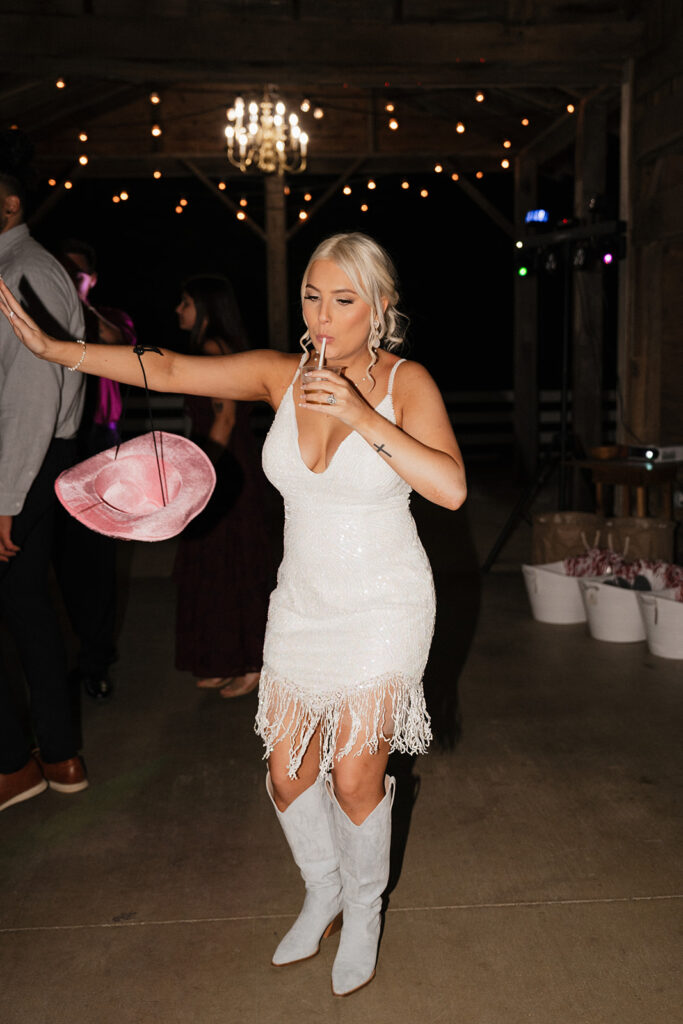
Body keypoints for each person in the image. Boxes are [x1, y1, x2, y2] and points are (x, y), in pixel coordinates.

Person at [0, 232, 466, 994]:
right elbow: (172, 365)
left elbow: (448, 488)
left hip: (384, 600)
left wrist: (360, 414)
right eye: (312, 296)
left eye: (342, 300)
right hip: (303, 603)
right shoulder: (281, 375)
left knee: (354, 780)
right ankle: (320, 891)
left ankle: (364, 906)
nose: (322, 315)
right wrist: (64, 353)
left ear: (379, 306)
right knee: (287, 777)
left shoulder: (404, 382)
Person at [0, 130, 88, 812]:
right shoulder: (23, 266)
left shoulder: (24, 271)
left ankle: (15, 762)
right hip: (28, 461)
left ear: (8, 204)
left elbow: (32, 398)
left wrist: (7, 499)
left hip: (22, 464)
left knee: (22, 611)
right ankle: (56, 756)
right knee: (27, 610)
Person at [174, 274, 271, 697]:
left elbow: (226, 417)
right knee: (216, 563)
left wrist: (202, 476)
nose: (178, 311)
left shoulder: (215, 349)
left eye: (185, 303)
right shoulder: (216, 349)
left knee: (237, 563)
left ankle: (253, 662)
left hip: (226, 467)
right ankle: (222, 657)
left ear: (206, 308)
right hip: (227, 462)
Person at [53, 238, 137, 701]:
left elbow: (121, 344)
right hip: (58, 443)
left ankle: (97, 660)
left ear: (93, 278)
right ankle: (71, 657)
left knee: (99, 560)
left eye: (77, 274)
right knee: (62, 561)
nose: (68, 280)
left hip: (102, 446)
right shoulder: (51, 321)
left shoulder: (110, 316)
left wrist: (79, 301)